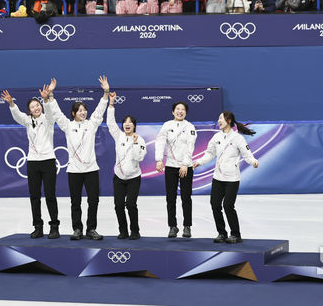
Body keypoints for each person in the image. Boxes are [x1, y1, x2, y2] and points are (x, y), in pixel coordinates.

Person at [47, 76, 110, 241]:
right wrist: (51, 95)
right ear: (74, 113)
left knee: (93, 201)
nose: (83, 112)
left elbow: (99, 111)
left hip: (91, 169)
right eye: (80, 110)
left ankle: (91, 229)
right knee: (75, 202)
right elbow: (57, 114)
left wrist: (106, 93)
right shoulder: (68, 126)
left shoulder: (91, 124)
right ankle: (77, 229)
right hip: (74, 170)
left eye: (84, 110)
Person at [1, 80, 60, 239]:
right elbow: (18, 115)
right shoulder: (27, 121)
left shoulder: (48, 120)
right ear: (29, 110)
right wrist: (11, 103)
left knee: (50, 195)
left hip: (48, 161)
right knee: (34, 196)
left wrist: (46, 99)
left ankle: (54, 227)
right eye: (33, 107)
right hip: (33, 162)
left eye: (38, 105)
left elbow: (50, 111)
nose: (36, 108)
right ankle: (38, 227)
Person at [193, 112, 258, 244]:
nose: (218, 121)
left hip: (232, 179)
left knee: (228, 206)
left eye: (221, 118)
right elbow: (209, 154)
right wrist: (199, 162)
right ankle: (222, 233)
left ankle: (236, 234)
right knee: (215, 205)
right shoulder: (216, 137)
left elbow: (247, 154)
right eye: (218, 119)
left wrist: (253, 162)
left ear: (228, 120)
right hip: (218, 178)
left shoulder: (238, 138)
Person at [106, 91, 146, 240]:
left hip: (134, 178)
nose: (127, 124)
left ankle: (135, 231)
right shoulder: (119, 136)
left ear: (134, 126)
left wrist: (134, 143)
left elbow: (139, 158)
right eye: (125, 122)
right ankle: (123, 231)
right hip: (118, 177)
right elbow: (110, 123)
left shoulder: (140, 140)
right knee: (118, 205)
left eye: (130, 122)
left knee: (130, 204)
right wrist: (111, 104)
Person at [156, 101, 197, 238]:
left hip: (186, 167)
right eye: (177, 109)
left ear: (186, 112)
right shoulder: (167, 125)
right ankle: (172, 226)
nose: (180, 111)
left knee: (186, 197)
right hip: (171, 166)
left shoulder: (190, 127)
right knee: (170, 198)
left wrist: (185, 164)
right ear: (173, 112)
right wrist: (159, 159)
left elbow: (190, 146)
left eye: (183, 109)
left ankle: (187, 226)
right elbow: (160, 142)